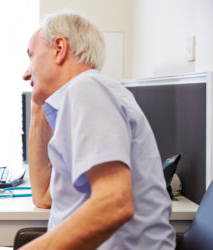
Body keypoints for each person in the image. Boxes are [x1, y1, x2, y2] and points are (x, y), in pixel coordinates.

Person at [21, 11, 175, 249]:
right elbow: (43, 196)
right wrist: (38, 110)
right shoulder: (82, 95)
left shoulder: (86, 89)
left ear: (59, 48)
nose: (26, 73)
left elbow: (114, 204)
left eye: (31, 56)